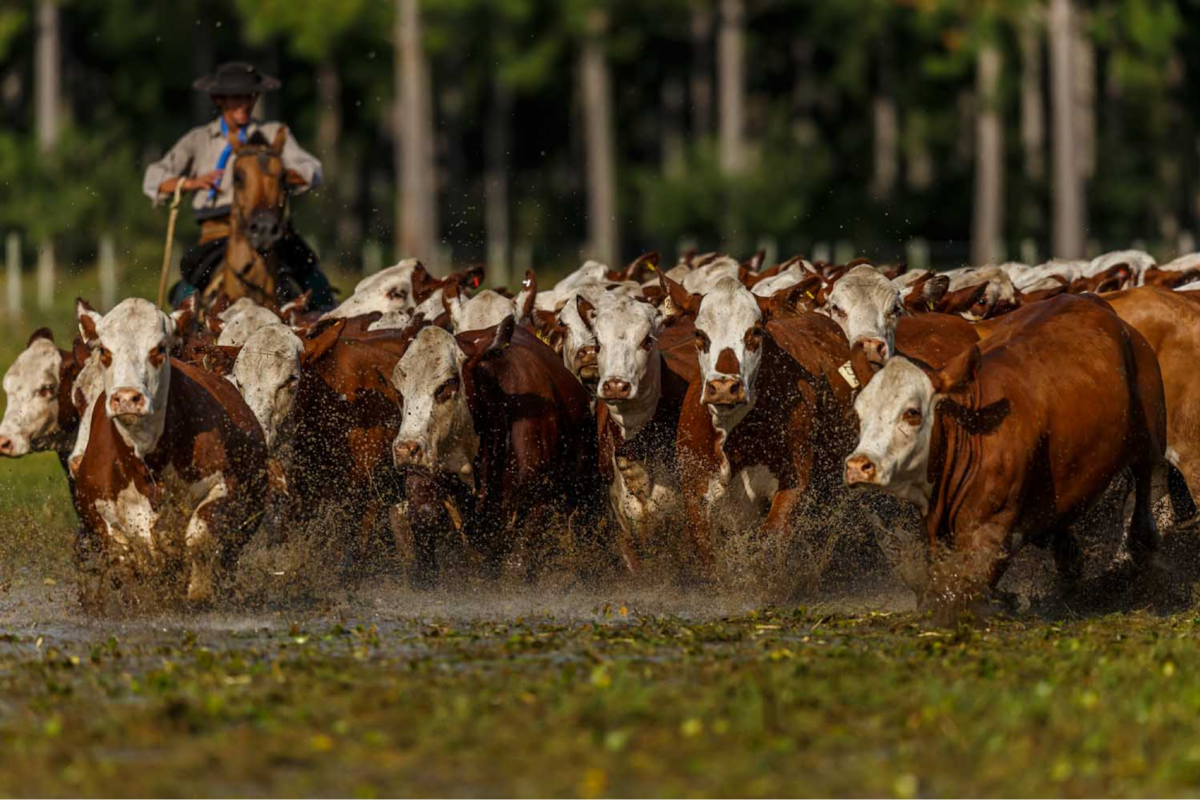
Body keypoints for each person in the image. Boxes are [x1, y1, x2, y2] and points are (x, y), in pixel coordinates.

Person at [142, 61, 336, 308]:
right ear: (219, 99)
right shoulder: (199, 139)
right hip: (218, 231)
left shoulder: (275, 133)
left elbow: (313, 169)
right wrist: (190, 183)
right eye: (235, 98)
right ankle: (181, 333)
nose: (243, 105)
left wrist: (283, 174)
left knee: (309, 268)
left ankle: (329, 319)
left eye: (249, 97)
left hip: (271, 227)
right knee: (190, 279)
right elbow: (154, 177)